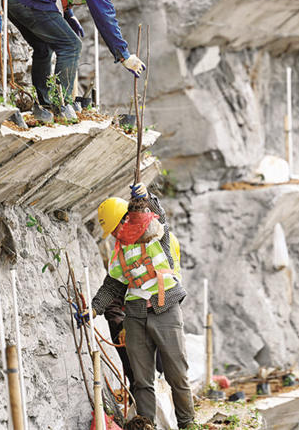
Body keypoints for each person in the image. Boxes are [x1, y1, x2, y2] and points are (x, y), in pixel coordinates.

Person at [6, 0, 148, 121]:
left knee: (44, 48)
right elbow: (105, 16)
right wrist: (124, 55)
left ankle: (46, 104)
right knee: (71, 45)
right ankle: (62, 105)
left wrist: (69, 15)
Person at [91, 183, 196, 429]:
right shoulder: (119, 253)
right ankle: (146, 425)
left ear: (126, 220)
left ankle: (187, 424)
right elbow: (112, 285)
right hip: (135, 315)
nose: (116, 234)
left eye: (117, 227)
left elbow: (161, 216)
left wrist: (147, 198)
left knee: (177, 374)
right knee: (141, 380)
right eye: (113, 231)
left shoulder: (155, 233)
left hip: (165, 308)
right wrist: (93, 309)